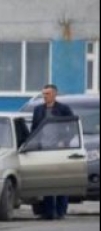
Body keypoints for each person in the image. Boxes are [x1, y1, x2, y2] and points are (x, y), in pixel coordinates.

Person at [31, 84, 74, 220]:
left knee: (61, 181)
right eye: (43, 94)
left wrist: (64, 141)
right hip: (44, 150)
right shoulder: (38, 110)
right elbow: (34, 129)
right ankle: (48, 212)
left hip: (60, 150)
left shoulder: (63, 109)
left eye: (48, 94)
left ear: (55, 94)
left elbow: (72, 127)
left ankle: (61, 211)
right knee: (47, 181)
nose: (45, 96)